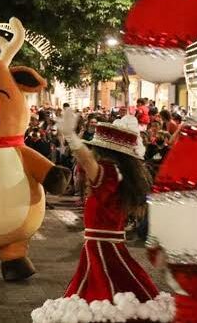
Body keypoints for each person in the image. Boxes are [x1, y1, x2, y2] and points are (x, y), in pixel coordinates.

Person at [31, 109, 170, 321]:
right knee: (120, 283)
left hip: (102, 245)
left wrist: (71, 137)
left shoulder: (108, 171)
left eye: (96, 148)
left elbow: (87, 161)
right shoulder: (117, 172)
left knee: (103, 289)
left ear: (105, 151)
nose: (93, 151)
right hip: (101, 243)